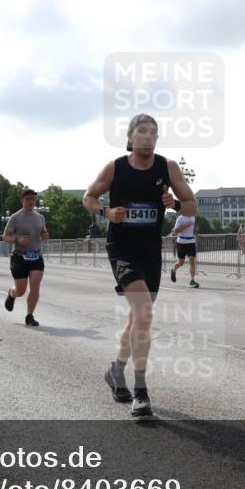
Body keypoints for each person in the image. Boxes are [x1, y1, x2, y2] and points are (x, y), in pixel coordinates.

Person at [83, 113, 196, 418]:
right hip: (121, 248)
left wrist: (172, 203)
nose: (148, 136)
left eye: (154, 132)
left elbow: (191, 205)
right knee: (144, 311)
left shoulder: (167, 167)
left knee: (137, 317)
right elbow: (89, 197)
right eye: (142, 132)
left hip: (150, 250)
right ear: (130, 137)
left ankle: (115, 371)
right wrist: (106, 212)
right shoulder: (116, 167)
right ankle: (141, 391)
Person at [3, 189, 49, 326]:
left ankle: (29, 315)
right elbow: (5, 236)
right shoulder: (15, 217)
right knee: (21, 290)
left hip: (36, 255)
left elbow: (44, 234)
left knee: (35, 284)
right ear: (22, 201)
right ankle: (12, 294)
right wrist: (17, 240)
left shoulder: (40, 217)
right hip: (19, 257)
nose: (31, 201)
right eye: (28, 198)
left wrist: (45, 236)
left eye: (33, 199)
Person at [170, 211, 199, 287]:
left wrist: (195, 229)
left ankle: (192, 280)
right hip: (181, 242)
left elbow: (192, 229)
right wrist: (185, 226)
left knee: (192, 260)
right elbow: (175, 231)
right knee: (181, 262)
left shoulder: (193, 217)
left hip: (191, 241)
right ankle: (173, 270)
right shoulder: (180, 218)